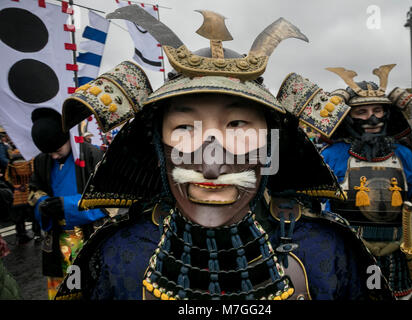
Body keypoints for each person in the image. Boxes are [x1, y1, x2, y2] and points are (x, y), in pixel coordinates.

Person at [55, 7, 393, 300]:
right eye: (185, 128)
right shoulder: (116, 252)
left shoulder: (329, 248)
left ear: (271, 146)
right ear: (158, 148)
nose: (213, 164)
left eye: (238, 126)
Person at [319, 65, 412, 299]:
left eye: (378, 110)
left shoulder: (405, 155)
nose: (373, 118)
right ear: (348, 117)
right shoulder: (330, 155)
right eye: (363, 112)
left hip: (396, 254)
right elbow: (312, 208)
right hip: (346, 254)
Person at [27, 107, 108, 300]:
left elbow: (110, 199)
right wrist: (43, 204)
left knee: (91, 288)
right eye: (49, 153)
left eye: (57, 150)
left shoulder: (92, 156)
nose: (54, 157)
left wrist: (68, 206)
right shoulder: (41, 161)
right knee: (64, 293)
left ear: (68, 137)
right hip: (56, 240)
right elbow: (33, 192)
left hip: (89, 236)